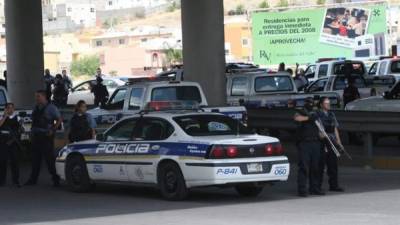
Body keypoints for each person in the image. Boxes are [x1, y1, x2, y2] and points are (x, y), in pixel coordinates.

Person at [25, 90, 62, 186]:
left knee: (49, 160)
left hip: (46, 136)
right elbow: (34, 122)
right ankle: (33, 180)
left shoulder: (51, 108)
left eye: (38, 96)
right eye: (36, 96)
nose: (36, 98)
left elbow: (59, 119)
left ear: (44, 97)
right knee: (35, 159)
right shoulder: (36, 108)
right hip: (36, 136)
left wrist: (52, 130)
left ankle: (56, 179)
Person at [294, 98, 324, 197]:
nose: (312, 105)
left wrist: (322, 134)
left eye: (313, 104)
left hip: (315, 143)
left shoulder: (316, 114)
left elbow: (321, 131)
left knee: (315, 167)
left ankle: (314, 188)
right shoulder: (300, 112)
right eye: (310, 103)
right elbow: (297, 118)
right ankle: (302, 190)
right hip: (304, 143)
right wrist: (309, 118)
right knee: (304, 167)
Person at [317, 97, 345, 192]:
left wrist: (339, 141)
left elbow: (335, 128)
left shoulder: (331, 114)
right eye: (326, 103)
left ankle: (334, 185)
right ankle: (317, 186)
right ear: (321, 105)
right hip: (323, 141)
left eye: (329, 103)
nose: (328, 105)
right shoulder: (318, 114)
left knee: (333, 164)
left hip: (332, 141)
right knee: (320, 165)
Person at [0, 103, 23, 187]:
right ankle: (2, 181)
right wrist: (5, 116)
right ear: (5, 109)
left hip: (13, 142)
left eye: (12, 108)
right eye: (9, 108)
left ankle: (16, 180)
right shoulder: (2, 117)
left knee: (15, 161)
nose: (11, 110)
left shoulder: (17, 118)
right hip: (3, 141)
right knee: (2, 161)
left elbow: (20, 129)